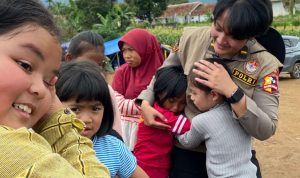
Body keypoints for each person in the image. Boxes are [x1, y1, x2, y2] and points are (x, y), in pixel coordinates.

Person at [137, 0, 282, 177]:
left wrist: (233, 92)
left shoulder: (264, 65)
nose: (221, 41)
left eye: (234, 36)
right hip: (186, 153)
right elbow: (163, 72)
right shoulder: (191, 39)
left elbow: (266, 129)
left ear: (251, 35)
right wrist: (145, 102)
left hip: (233, 159)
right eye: (218, 28)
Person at [0, 0, 109, 177]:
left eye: (49, 82)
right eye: (25, 65)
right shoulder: (13, 152)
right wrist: (56, 122)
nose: (42, 91)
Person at [56, 60, 149, 178]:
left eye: (95, 109)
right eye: (75, 109)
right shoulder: (44, 146)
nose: (86, 119)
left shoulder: (113, 147)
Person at [177, 58, 256, 177]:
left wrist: (175, 127)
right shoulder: (240, 112)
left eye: (194, 93)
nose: (190, 97)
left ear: (213, 95)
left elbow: (188, 142)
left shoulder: (202, 121)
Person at [112, 28, 164, 150]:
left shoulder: (162, 73)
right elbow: (116, 103)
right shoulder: (122, 72)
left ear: (145, 49)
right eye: (124, 50)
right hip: (127, 134)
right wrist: (147, 104)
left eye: (131, 50)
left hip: (155, 133)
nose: (126, 55)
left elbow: (168, 105)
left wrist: (135, 105)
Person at [134, 66, 191, 178]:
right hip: (151, 170)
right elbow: (190, 127)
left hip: (148, 166)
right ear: (160, 92)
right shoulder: (160, 115)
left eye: (183, 103)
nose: (175, 108)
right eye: (171, 100)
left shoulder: (153, 107)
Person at [65, 30, 122, 137]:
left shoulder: (106, 89)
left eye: (100, 65)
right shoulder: (58, 89)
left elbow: (115, 127)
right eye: (75, 109)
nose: (95, 70)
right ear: (69, 59)